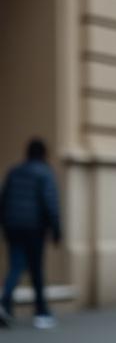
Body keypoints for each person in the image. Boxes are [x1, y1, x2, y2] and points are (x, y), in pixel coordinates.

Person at [0, 138, 62, 329]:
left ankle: (5, 303)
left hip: (13, 227)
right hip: (34, 229)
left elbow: (3, 200)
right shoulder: (45, 173)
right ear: (44, 154)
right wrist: (56, 229)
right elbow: (50, 203)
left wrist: (6, 224)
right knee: (36, 270)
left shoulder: (14, 171)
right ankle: (41, 312)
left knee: (16, 266)